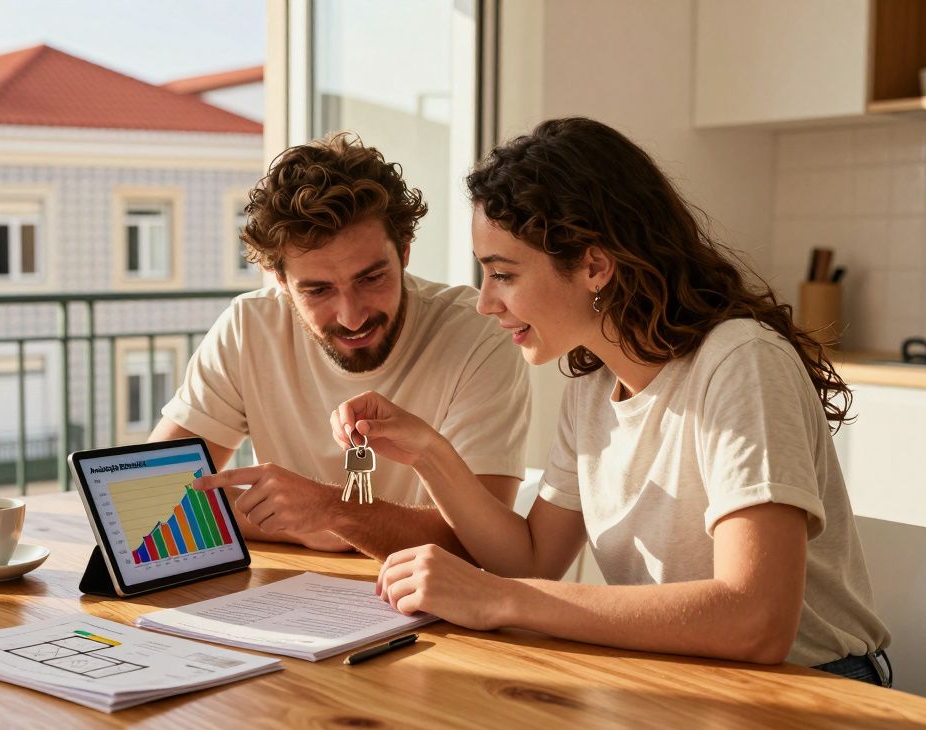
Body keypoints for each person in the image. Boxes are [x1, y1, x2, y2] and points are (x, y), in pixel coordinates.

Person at [332, 117, 892, 682]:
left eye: (503, 274)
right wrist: (428, 451)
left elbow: (757, 620)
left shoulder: (740, 361)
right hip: (684, 679)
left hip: (815, 687)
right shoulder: (594, 383)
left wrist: (503, 599)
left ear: (595, 266)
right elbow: (532, 560)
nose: (485, 302)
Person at [150, 132, 530, 558]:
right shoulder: (249, 326)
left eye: (371, 278)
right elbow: (152, 499)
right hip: (288, 598)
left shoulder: (477, 333)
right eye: (317, 291)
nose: (352, 316)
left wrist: (330, 512)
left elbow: (481, 545)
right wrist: (305, 521)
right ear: (281, 281)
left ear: (404, 252)